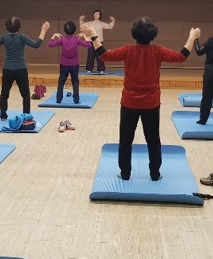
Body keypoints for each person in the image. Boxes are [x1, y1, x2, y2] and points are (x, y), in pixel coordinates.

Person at [82, 18, 200, 181]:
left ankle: (125, 173)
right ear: (153, 35)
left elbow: (104, 55)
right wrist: (192, 37)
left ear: (134, 33)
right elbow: (181, 56)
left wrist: (94, 36)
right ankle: (155, 174)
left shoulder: (128, 50)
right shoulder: (158, 51)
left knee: (126, 140)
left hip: (129, 102)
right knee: (153, 140)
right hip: (151, 103)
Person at [0, 16, 49, 120]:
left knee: (4, 94)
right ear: (19, 27)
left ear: (7, 27)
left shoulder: (4, 37)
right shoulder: (22, 37)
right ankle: (26, 115)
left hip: (7, 69)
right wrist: (43, 30)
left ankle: (3, 115)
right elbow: (36, 45)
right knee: (25, 95)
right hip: (21, 69)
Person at [48, 21, 92, 104]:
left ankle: (58, 99)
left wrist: (54, 35)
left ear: (65, 30)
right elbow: (89, 45)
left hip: (64, 64)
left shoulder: (62, 39)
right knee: (75, 82)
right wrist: (84, 36)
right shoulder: (76, 40)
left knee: (61, 81)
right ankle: (76, 100)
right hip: (74, 64)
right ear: (74, 30)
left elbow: (50, 44)